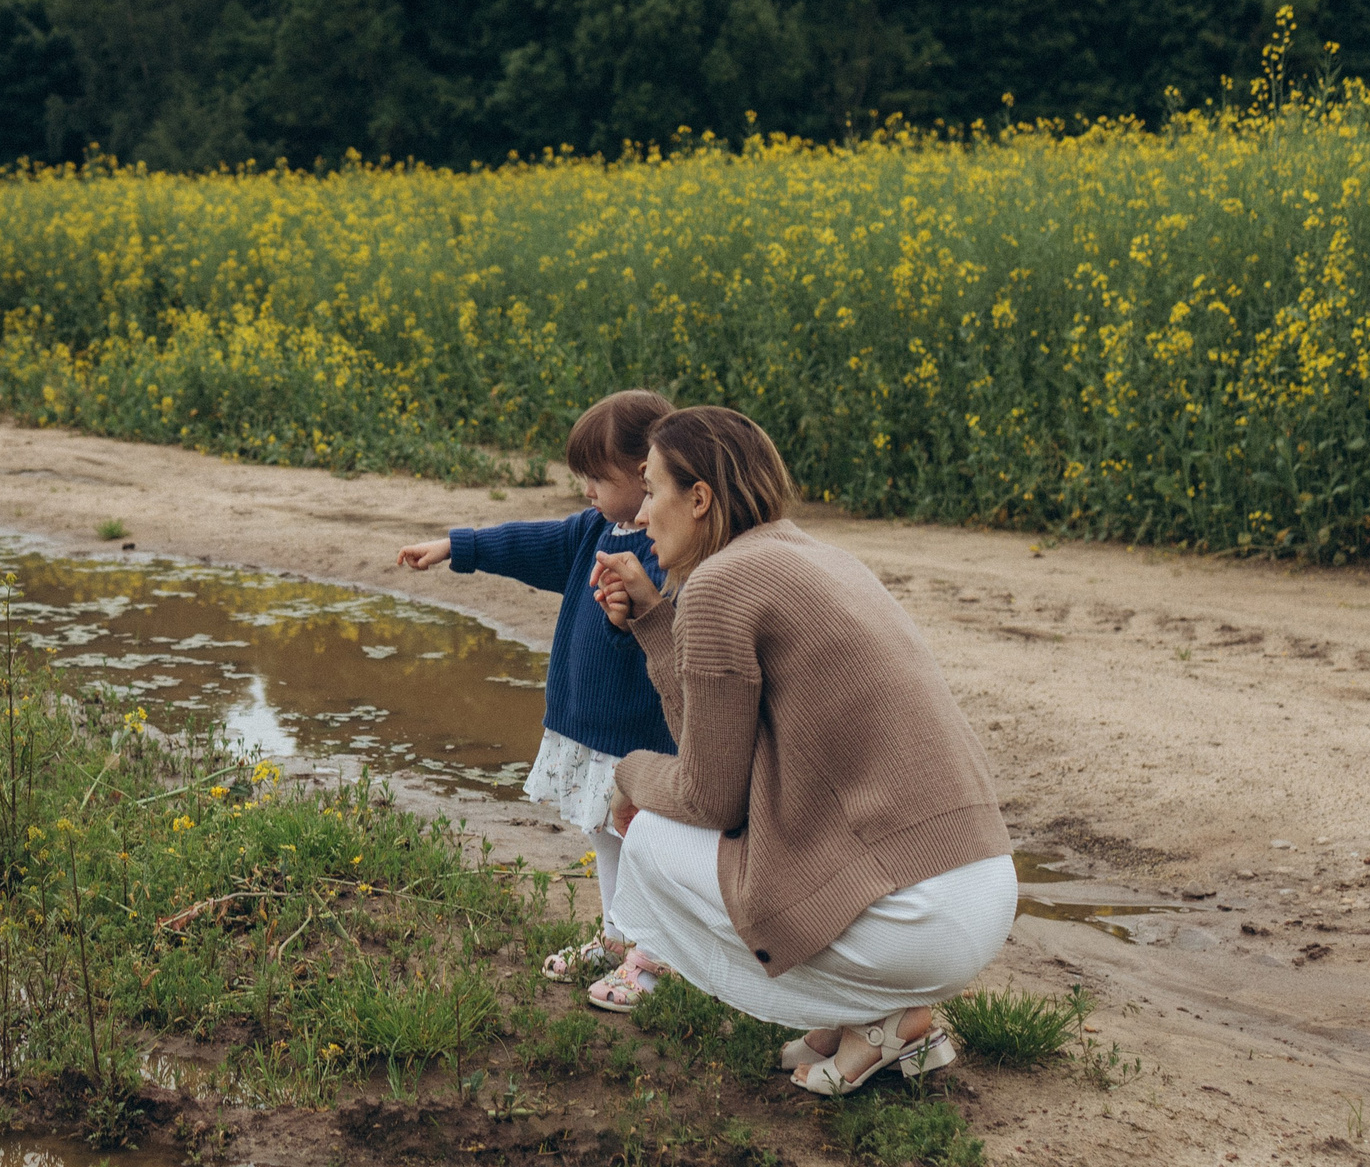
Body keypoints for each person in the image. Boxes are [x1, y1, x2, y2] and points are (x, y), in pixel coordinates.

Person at [588, 405, 1016, 1095]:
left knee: (650, 840)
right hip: (981, 884)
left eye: (651, 488)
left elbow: (708, 794)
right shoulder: (817, 556)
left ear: (699, 499)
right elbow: (717, 746)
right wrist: (653, 619)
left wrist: (628, 775)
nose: (638, 514)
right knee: (742, 835)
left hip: (919, 916)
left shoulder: (721, 585)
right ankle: (875, 1023)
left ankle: (874, 1007)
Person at [396, 391, 676, 1000]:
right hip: (588, 725)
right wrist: (457, 548)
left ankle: (654, 959)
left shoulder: (670, 549)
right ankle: (615, 937)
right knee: (605, 835)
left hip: (640, 737)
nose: (586, 492)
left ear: (645, 473)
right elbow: (530, 544)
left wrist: (639, 609)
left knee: (647, 847)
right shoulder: (594, 531)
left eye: (596, 478)